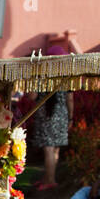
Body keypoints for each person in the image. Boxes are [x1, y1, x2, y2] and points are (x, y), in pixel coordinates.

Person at [26, 48, 72, 191]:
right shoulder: (66, 76)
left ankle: (50, 179)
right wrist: (71, 117)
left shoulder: (42, 75)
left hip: (47, 115)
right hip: (61, 114)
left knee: (49, 149)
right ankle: (48, 178)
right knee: (55, 148)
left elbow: (32, 97)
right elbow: (70, 99)